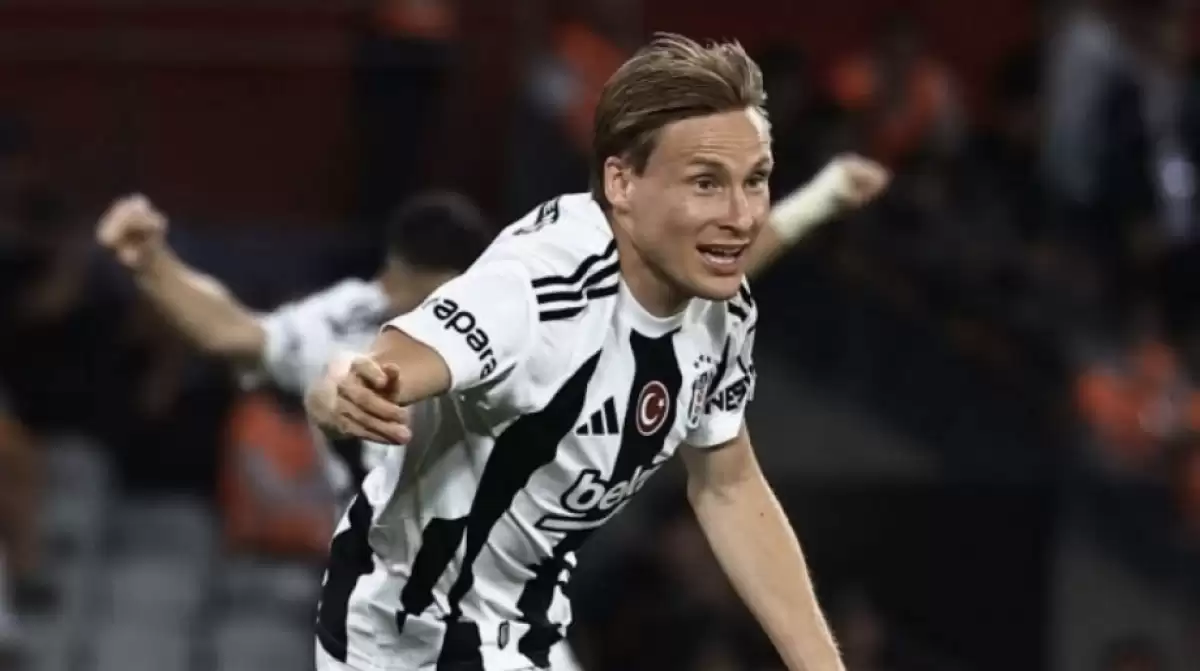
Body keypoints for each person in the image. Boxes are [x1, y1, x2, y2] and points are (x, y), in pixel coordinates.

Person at [306, 34, 888, 671]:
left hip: (525, 632)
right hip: (406, 641)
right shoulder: (542, 287)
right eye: (705, 183)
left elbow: (728, 484)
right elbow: (385, 364)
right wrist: (345, 385)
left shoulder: (720, 308)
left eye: (755, 181)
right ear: (623, 183)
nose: (742, 215)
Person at [95, 191, 495, 495]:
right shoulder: (347, 315)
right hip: (374, 565)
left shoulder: (503, 336)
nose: (388, 294)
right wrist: (152, 263)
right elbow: (233, 332)